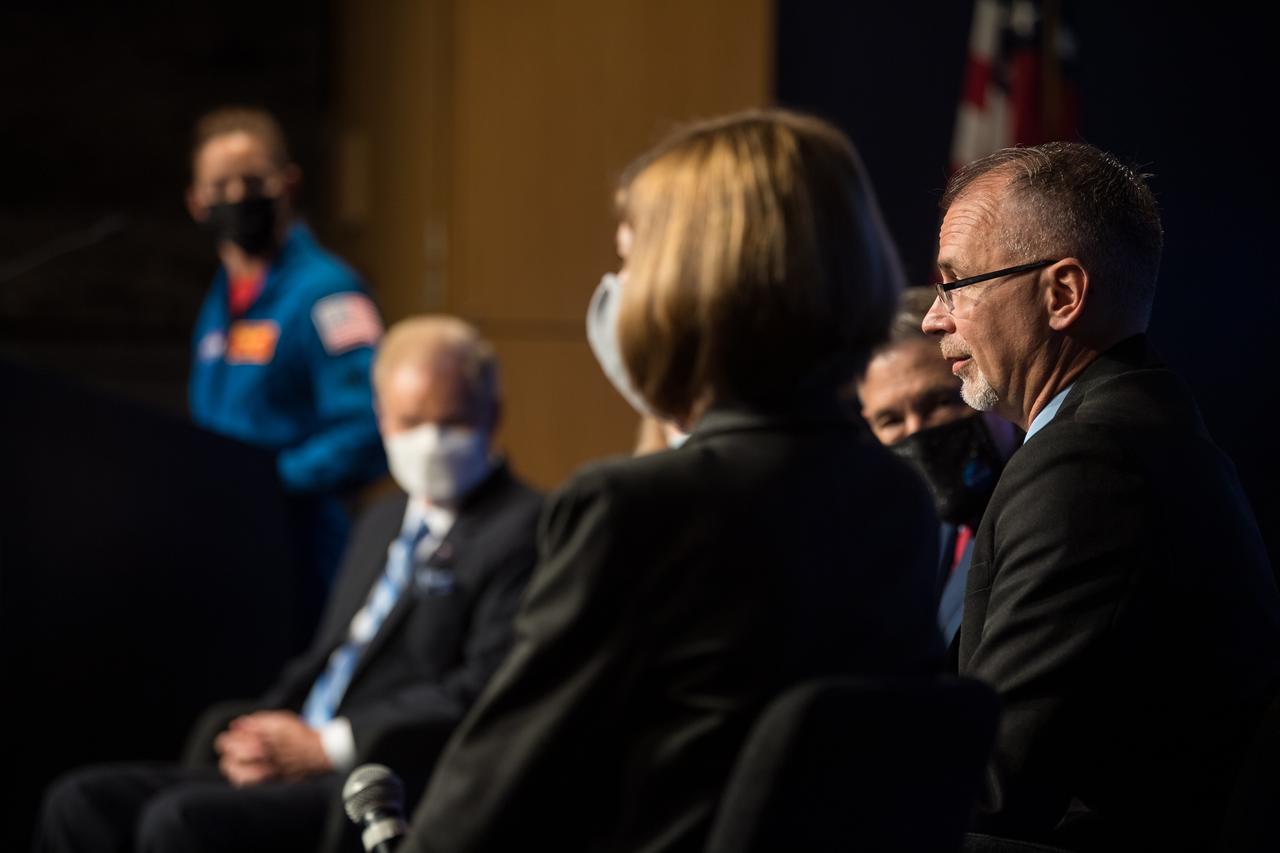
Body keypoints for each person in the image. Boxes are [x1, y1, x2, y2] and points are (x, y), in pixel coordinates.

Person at [400, 108, 943, 852]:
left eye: (630, 262)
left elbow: (484, 802)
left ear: (689, 283)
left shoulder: (636, 509)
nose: (618, 291)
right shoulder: (900, 501)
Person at [36, 316, 543, 853]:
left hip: (380, 775)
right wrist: (258, 735)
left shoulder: (529, 529)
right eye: (412, 422)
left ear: (494, 415)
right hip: (297, 749)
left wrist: (327, 746)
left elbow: (485, 690)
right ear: (382, 419)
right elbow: (331, 657)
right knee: (80, 803)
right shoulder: (381, 521)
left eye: (453, 421)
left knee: (180, 822)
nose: (432, 442)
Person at [922, 141, 1280, 851]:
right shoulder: (1138, 427)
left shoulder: (1092, 462)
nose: (935, 319)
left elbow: (996, 783)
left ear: (1061, 294)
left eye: (954, 284)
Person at [185, 106, 387, 612]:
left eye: (252, 181)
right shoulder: (223, 297)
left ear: (287, 184)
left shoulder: (328, 294)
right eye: (221, 185)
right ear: (196, 202)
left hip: (300, 552)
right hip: (226, 545)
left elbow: (367, 426)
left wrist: (270, 482)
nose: (237, 197)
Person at [856, 287, 1017, 643]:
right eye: (891, 420)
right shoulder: (905, 542)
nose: (917, 432)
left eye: (939, 402)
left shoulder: (1036, 504)